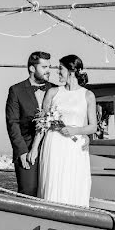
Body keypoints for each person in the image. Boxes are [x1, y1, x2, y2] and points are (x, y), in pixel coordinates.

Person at [28, 55, 97, 207]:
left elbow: (93, 126)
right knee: (53, 182)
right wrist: (34, 148)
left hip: (75, 147)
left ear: (71, 71)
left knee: (73, 182)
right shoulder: (53, 92)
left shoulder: (88, 95)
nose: (57, 72)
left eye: (60, 69)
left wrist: (76, 130)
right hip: (54, 145)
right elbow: (42, 123)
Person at [5, 51, 53, 195]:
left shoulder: (56, 89)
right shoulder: (16, 90)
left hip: (52, 147)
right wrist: (21, 151)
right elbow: (12, 123)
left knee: (50, 192)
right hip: (26, 149)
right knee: (28, 191)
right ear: (32, 68)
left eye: (49, 67)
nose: (48, 71)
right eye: (44, 67)